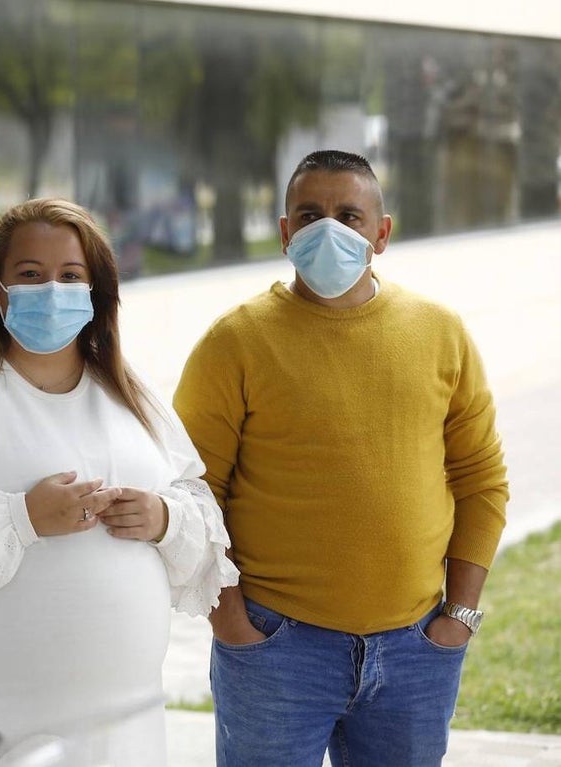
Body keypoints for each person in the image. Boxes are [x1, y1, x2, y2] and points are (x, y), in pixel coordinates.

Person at [173, 150, 509, 766]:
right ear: (284, 233)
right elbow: (192, 492)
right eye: (310, 214)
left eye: (349, 215)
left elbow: (482, 480)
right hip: (276, 647)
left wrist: (458, 616)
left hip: (416, 649)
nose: (330, 229)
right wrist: (231, 624)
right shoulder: (235, 342)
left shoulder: (441, 332)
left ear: (381, 233)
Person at [0, 198, 238, 765]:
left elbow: (197, 504)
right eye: (30, 275)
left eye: (70, 276)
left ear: (95, 290)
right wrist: (22, 518)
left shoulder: (127, 391)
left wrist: (163, 519)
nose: (51, 289)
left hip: (123, 723)